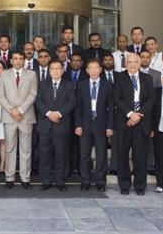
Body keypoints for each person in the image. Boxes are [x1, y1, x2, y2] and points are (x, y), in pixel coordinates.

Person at [114, 53, 155, 196]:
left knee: (140, 157)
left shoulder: (147, 78)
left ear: (139, 63)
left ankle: (140, 186)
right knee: (122, 156)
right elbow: (117, 98)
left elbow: (151, 99)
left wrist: (138, 115)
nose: (132, 64)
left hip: (141, 122)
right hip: (124, 122)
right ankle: (124, 185)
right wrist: (131, 114)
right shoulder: (118, 77)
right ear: (125, 63)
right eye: (129, 62)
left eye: (135, 62)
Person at [0, 51, 38, 189]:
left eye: (21, 58)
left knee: (26, 148)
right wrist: (12, 110)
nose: (18, 60)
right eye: (16, 58)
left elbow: (33, 94)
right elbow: (1, 95)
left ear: (24, 60)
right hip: (9, 117)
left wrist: (20, 110)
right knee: (9, 148)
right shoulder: (4, 74)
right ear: (11, 61)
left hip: (26, 116)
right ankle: (9, 178)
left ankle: (25, 178)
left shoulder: (32, 74)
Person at [35, 60, 76, 191]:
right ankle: (46, 181)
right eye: (53, 69)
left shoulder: (69, 85)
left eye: (58, 68)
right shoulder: (42, 84)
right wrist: (48, 113)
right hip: (45, 125)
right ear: (49, 70)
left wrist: (58, 113)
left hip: (61, 124)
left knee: (61, 155)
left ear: (63, 70)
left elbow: (71, 102)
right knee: (45, 155)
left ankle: (60, 181)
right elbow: (38, 101)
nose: (56, 71)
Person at [74, 59, 114, 192]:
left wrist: (109, 126)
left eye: (96, 68)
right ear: (87, 70)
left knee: (101, 155)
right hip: (85, 125)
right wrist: (78, 125)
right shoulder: (81, 85)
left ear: (100, 69)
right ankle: (85, 181)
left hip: (101, 125)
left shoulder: (107, 85)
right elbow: (77, 107)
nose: (93, 70)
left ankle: (100, 181)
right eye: (90, 68)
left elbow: (111, 108)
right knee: (84, 155)